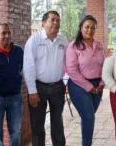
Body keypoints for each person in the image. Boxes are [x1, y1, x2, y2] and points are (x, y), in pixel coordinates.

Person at [23, 11, 68, 146]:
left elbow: (69, 63)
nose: (56, 23)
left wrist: (66, 83)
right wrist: (32, 91)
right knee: (37, 126)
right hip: (38, 88)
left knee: (57, 124)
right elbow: (28, 66)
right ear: (43, 23)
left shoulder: (63, 41)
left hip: (58, 87)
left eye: (58, 20)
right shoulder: (34, 40)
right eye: (52, 20)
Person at [65, 15, 105, 146]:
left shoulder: (99, 46)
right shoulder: (73, 46)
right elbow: (72, 71)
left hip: (97, 86)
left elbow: (105, 66)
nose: (90, 30)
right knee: (89, 117)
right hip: (78, 86)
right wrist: (89, 87)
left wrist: (101, 84)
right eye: (87, 27)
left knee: (88, 116)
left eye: (93, 27)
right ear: (81, 28)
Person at [0, 23, 23, 146]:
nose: (7, 36)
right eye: (3, 33)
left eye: (9, 32)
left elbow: (23, 69)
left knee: (16, 131)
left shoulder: (18, 51)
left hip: (15, 98)